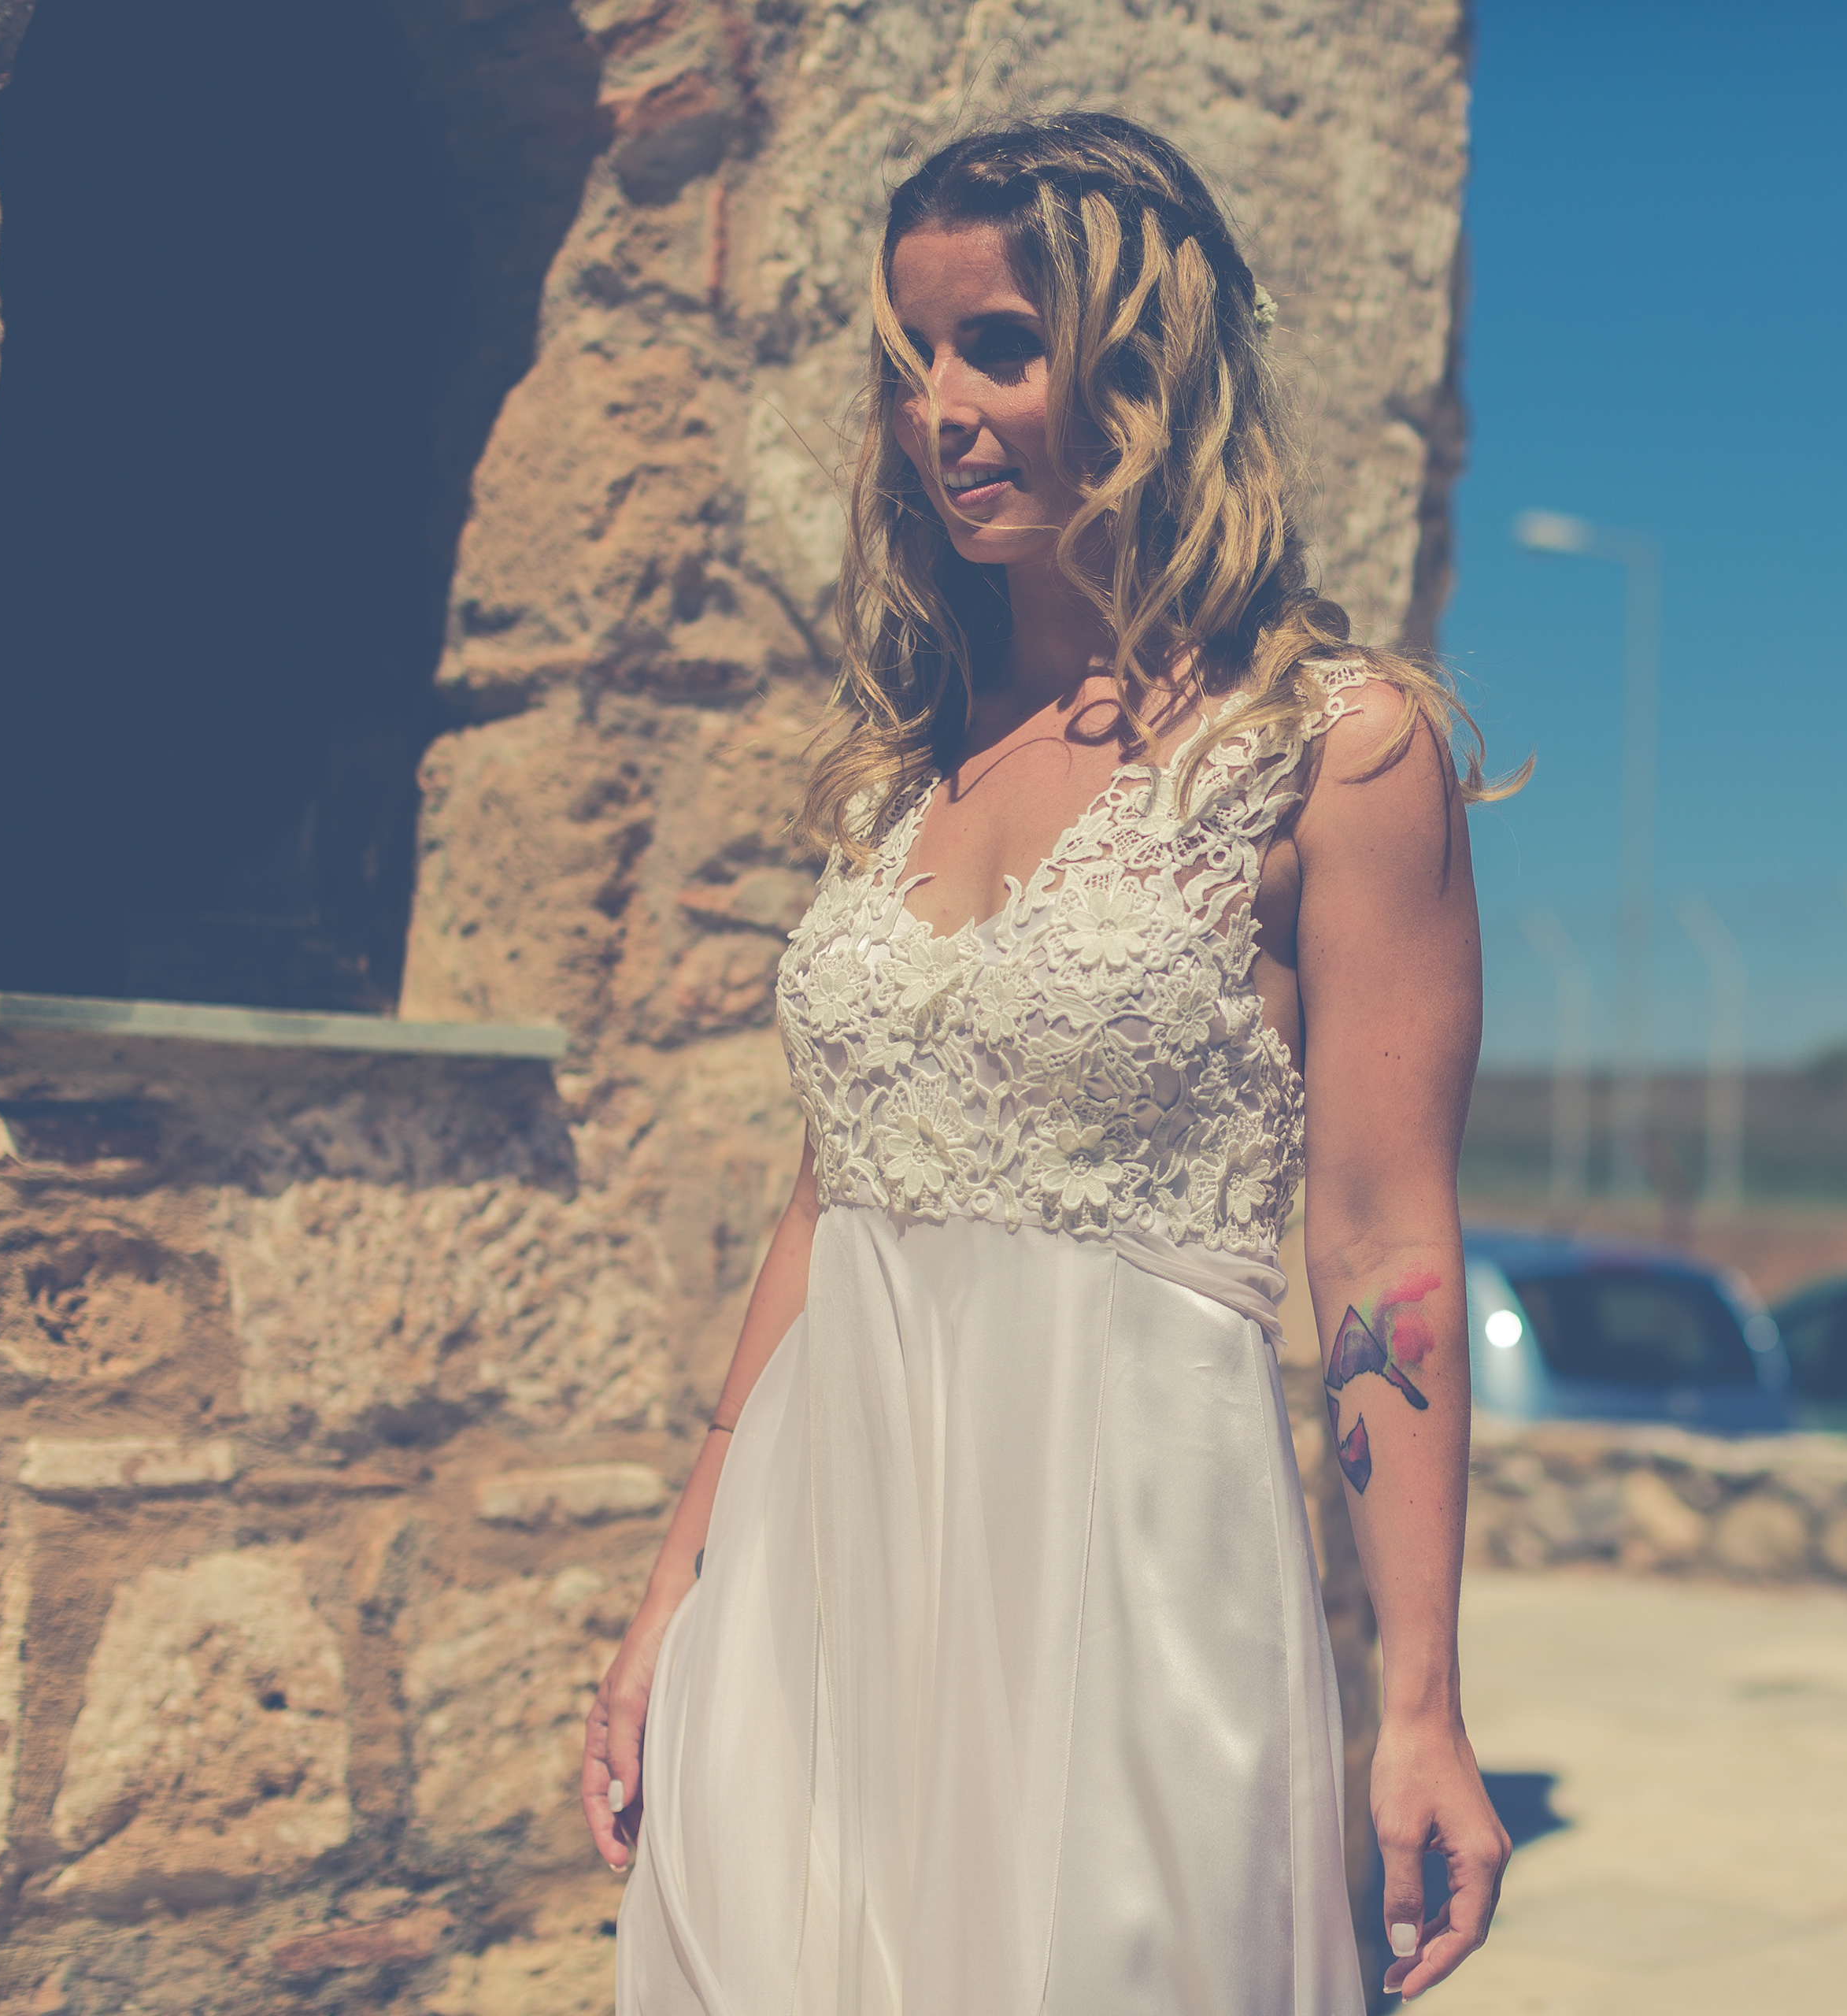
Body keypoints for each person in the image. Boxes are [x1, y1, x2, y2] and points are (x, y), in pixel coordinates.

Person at [581, 113, 1516, 2011]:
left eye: (999, 346)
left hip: (1124, 1562)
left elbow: (1382, 1243)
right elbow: (834, 1187)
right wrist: (681, 1573)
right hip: (822, 1559)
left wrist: (1418, 1700)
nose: (942, 408)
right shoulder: (903, 759)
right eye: (911, 357)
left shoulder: (1336, 752)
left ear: (1144, 367)